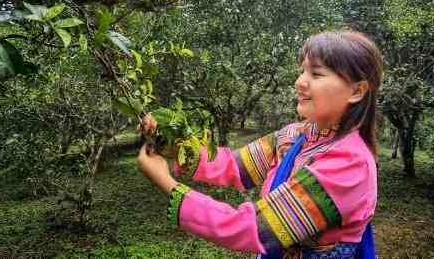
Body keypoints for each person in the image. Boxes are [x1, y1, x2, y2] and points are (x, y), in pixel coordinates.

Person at [137, 31, 382, 259]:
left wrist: (167, 184)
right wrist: (168, 142)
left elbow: (253, 228)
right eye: (302, 71)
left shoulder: (350, 165)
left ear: (357, 91)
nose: (299, 82)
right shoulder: (293, 135)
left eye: (316, 74)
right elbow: (233, 165)